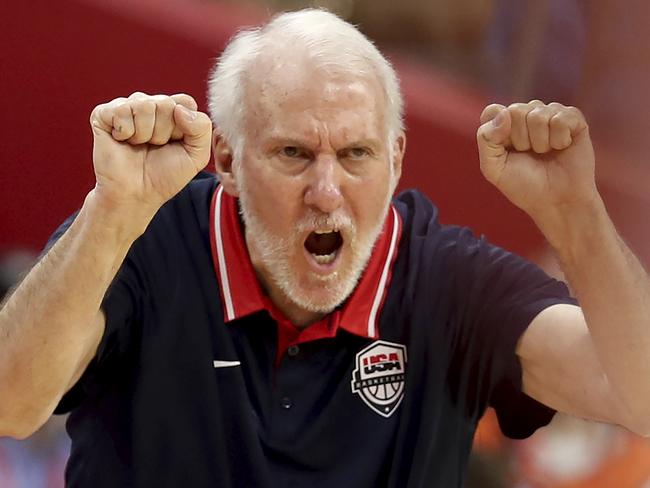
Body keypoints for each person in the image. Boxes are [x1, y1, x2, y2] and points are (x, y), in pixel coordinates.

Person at [0, 8, 648, 487]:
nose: (327, 191)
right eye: (293, 153)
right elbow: (11, 402)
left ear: (396, 161)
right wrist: (111, 210)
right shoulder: (143, 238)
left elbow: (639, 399)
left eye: (357, 154)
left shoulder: (451, 280)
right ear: (226, 158)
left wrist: (577, 215)